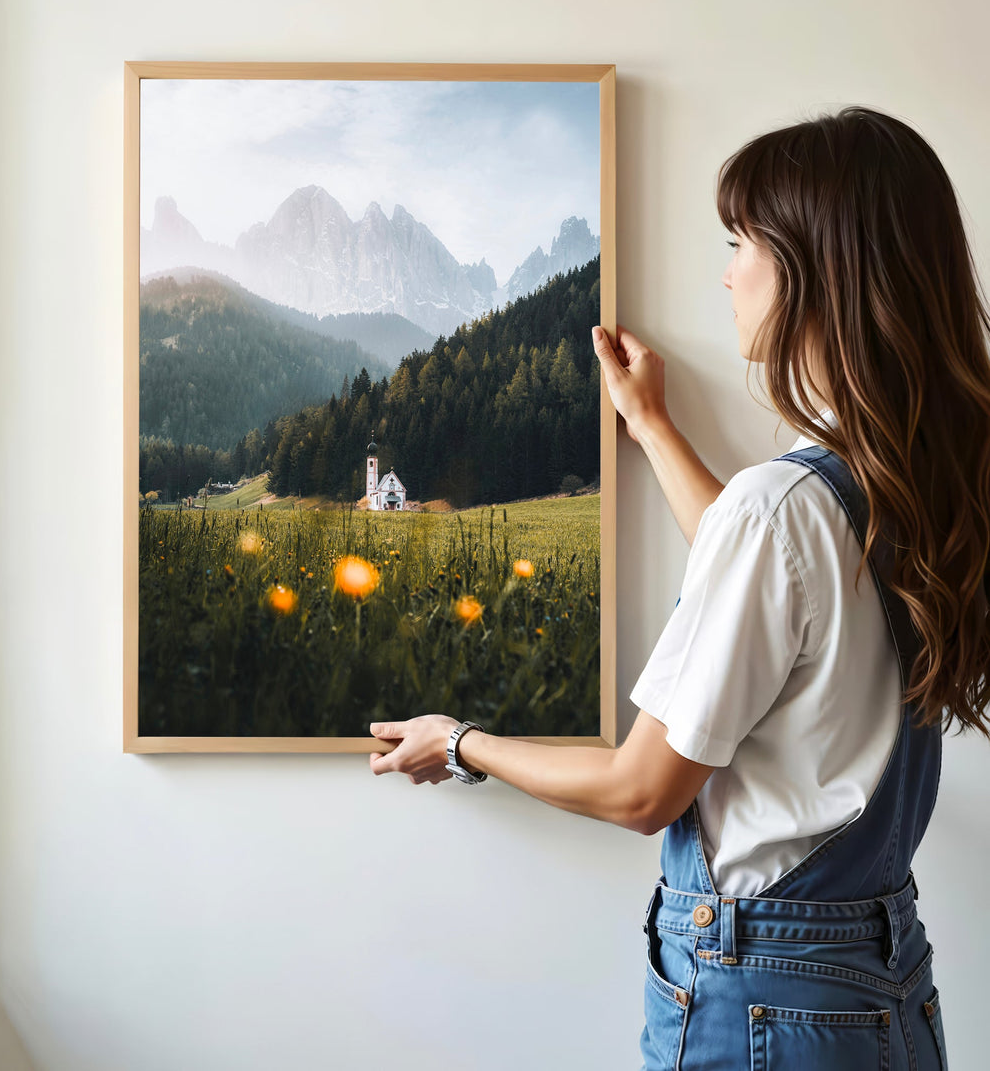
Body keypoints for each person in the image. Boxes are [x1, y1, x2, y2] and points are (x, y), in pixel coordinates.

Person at [367, 105, 990, 1069]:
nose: (728, 270)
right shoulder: (906, 481)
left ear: (815, 271)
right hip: (879, 988)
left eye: (743, 242)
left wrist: (458, 743)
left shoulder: (784, 507)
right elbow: (778, 594)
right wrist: (653, 426)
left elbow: (640, 790)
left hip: (764, 1002)